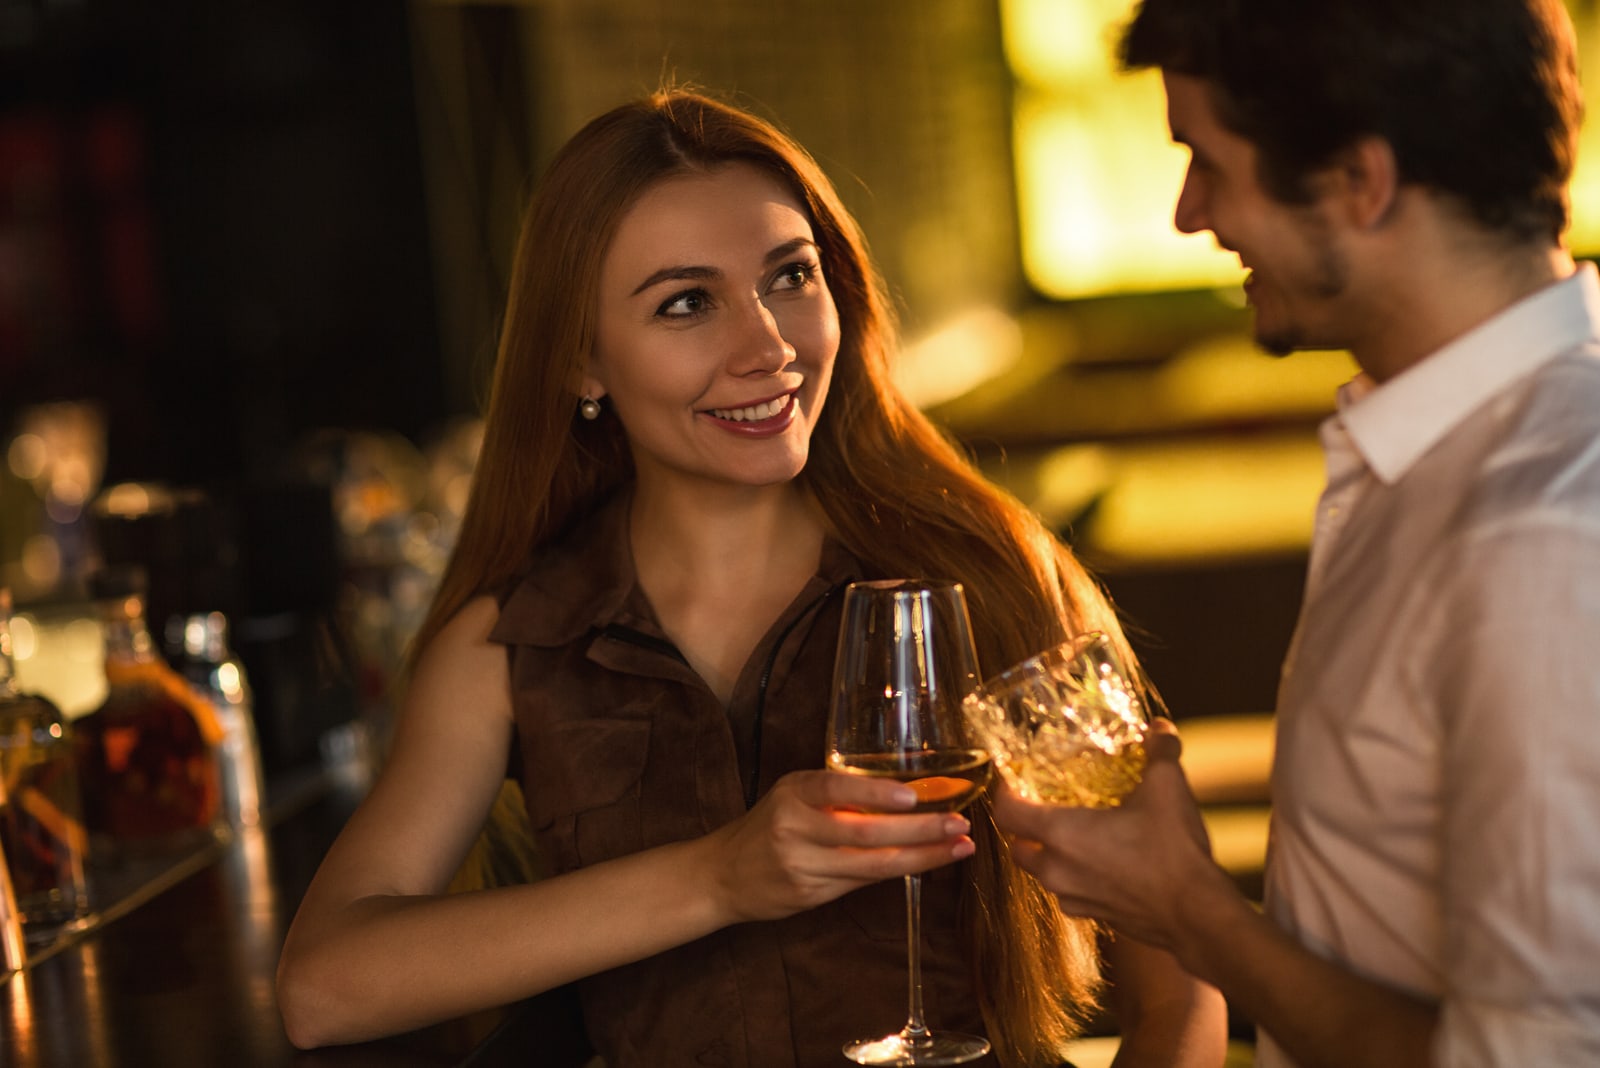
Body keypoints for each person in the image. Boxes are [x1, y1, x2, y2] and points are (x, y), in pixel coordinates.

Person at [274, 87, 1226, 1068]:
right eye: (687, 303)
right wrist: (721, 876)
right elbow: (324, 989)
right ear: (580, 363)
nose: (767, 347)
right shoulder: (512, 643)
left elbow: (1181, 993)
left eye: (789, 278)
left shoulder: (990, 573)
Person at [990, 1, 1600, 1066]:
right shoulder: (1431, 454)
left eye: (1207, 163)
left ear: (1359, 184)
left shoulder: (1538, 533)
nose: (1187, 213)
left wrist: (1189, 915)